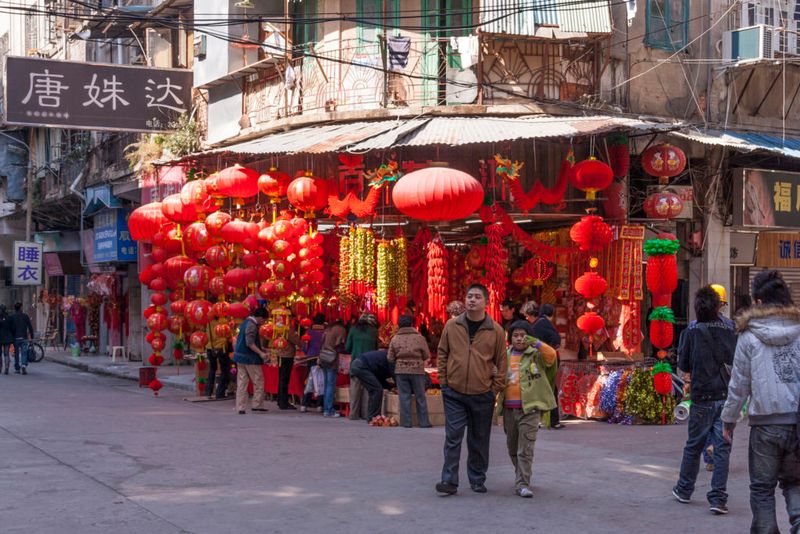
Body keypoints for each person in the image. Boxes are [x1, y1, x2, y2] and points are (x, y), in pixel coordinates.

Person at [721, 270, 800, 533]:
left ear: (757, 301)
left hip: (765, 425)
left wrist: (728, 421)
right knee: (795, 483)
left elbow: (738, 385)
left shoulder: (749, 336)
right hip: (797, 423)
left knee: (762, 489)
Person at [436, 283, 507, 496]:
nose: (471, 300)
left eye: (476, 297)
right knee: (453, 436)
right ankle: (449, 480)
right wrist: (444, 382)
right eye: (469, 296)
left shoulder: (495, 330)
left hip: (482, 394)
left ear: (486, 302)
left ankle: (477, 478)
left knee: (479, 439)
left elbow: (502, 363)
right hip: (454, 393)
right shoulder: (451, 325)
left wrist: (494, 389)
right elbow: (442, 353)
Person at [672, 286, 737, 516]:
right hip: (726, 398)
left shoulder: (691, 332)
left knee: (693, 446)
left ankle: (684, 489)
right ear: (719, 305)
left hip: (701, 398)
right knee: (723, 449)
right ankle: (718, 498)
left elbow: (685, 366)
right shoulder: (731, 330)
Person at [496, 320, 557, 498]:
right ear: (510, 338)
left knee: (525, 448)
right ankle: (520, 474)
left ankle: (523, 483)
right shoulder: (505, 356)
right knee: (512, 448)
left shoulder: (535, 354)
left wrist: (537, 343)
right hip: (508, 409)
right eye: (515, 335)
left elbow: (551, 356)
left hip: (529, 409)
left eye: (523, 335)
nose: (519, 339)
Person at [387, 315, 432, 428]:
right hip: (417, 370)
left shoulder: (395, 338)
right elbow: (426, 355)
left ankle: (406, 422)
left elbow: (390, 358)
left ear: (399, 325)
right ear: (412, 324)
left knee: (404, 396)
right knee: (420, 396)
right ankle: (424, 422)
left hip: (401, 370)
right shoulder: (419, 338)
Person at [232, 307, 270, 415]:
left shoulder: (245, 322)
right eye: (263, 320)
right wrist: (261, 353)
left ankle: (240, 407)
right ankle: (257, 404)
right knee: (258, 380)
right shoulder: (252, 325)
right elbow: (250, 343)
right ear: (259, 317)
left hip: (240, 357)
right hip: (250, 358)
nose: (263, 323)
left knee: (242, 382)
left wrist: (262, 349)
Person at [532, 304, 563, 429]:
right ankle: (553, 421)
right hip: (546, 361)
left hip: (536, 360)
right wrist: (550, 349)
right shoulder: (546, 323)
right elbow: (556, 338)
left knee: (538, 388)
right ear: (551, 314)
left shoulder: (536, 324)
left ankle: (538, 419)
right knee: (550, 388)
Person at [348, 349, 394, 422]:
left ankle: (372, 416)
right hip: (362, 366)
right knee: (376, 390)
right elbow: (394, 375)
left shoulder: (386, 357)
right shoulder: (391, 360)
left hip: (359, 364)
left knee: (375, 389)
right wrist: (396, 386)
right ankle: (373, 417)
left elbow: (380, 378)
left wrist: (390, 386)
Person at [299, 313, 327, 413]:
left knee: (310, 380)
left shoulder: (309, 333)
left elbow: (304, 348)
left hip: (311, 358)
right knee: (321, 381)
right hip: (322, 358)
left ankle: (304, 404)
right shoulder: (325, 333)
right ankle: (320, 405)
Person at [320, 319, 347, 418]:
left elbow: (321, 342)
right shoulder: (341, 330)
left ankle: (325, 408)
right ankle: (329, 410)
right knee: (330, 385)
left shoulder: (328, 329)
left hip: (323, 357)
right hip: (331, 358)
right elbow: (340, 345)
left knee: (326, 384)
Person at [275, 317, 302, 411]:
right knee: (284, 379)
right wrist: (303, 345)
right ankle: (283, 402)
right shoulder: (287, 329)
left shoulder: (278, 327)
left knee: (282, 378)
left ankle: (281, 401)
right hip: (286, 355)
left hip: (281, 354)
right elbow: (296, 340)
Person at [205, 315, 232, 399]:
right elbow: (227, 335)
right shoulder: (223, 322)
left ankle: (208, 392)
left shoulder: (208, 322)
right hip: (221, 347)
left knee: (212, 369)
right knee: (224, 369)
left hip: (210, 348)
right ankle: (220, 392)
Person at [9, 302, 33, 375]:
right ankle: (23, 365)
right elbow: (30, 327)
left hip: (15, 338)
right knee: (24, 353)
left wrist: (11, 337)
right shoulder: (25, 316)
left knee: (16, 354)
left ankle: (17, 368)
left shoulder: (12, 317)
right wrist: (31, 336)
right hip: (24, 337)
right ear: (21, 308)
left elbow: (10, 328)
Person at [0, 305, 13, 375]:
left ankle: (0, 367)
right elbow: (12, 328)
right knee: (6, 353)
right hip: (7, 338)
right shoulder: (9, 318)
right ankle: (6, 368)